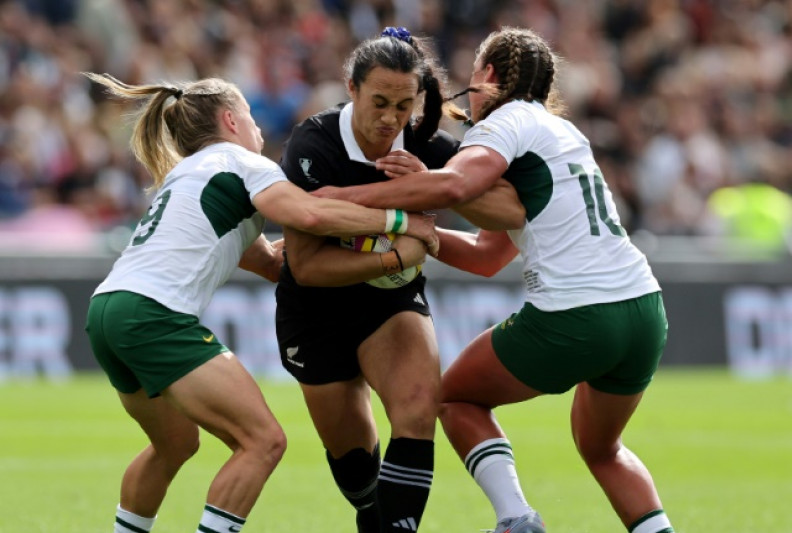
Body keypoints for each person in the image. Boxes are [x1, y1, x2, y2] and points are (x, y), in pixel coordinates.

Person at [314, 27, 676, 533]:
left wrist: (344, 199)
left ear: (487, 75)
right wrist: (425, 230)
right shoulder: (561, 134)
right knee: (602, 449)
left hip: (576, 312)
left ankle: (516, 519)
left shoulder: (504, 121)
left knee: (453, 398)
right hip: (643, 309)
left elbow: (458, 181)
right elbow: (488, 255)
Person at [82, 72, 438, 533]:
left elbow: (266, 259)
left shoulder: (187, 175)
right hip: (154, 315)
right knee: (263, 441)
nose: (260, 130)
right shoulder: (244, 163)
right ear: (231, 120)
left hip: (107, 310)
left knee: (174, 445)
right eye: (251, 117)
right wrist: (400, 224)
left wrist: (317, 255)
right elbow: (311, 213)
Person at [274, 27, 524, 533]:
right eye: (379, 102)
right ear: (351, 88)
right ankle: (372, 514)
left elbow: (510, 208)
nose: (390, 119)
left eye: (403, 105)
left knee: (416, 411)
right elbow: (305, 267)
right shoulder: (312, 145)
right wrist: (398, 248)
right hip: (316, 310)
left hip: (393, 305)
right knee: (357, 474)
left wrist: (436, 186)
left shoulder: (431, 148)